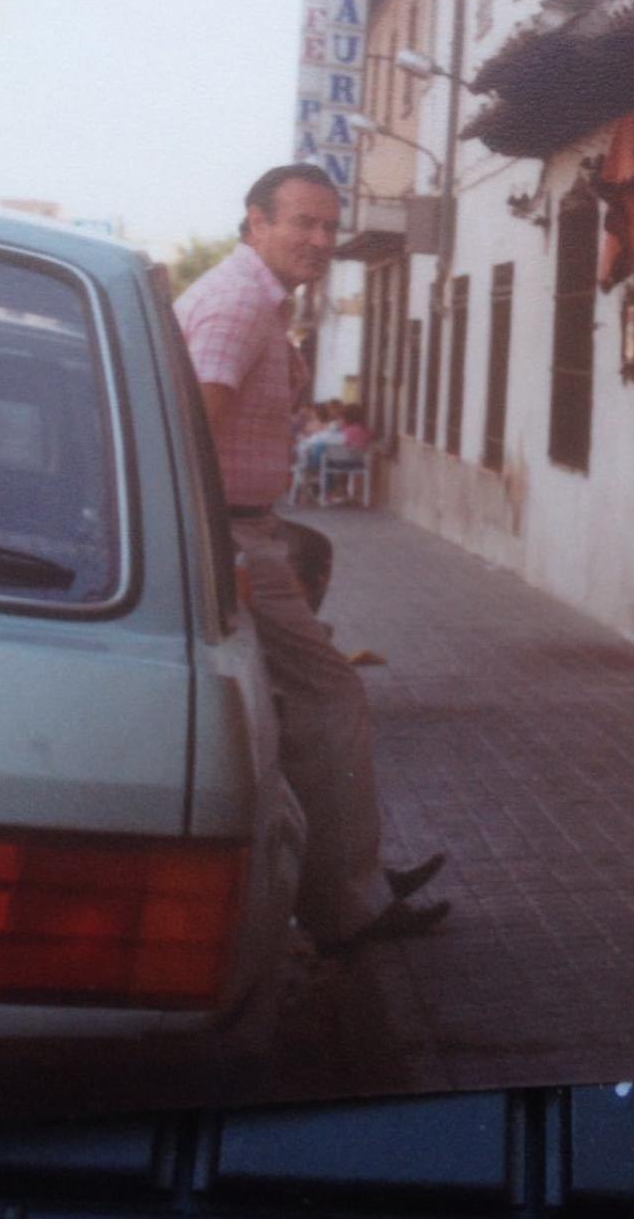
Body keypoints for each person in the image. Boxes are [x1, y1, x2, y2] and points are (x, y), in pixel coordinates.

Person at [175, 163, 448, 947]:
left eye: (330, 227)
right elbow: (194, 437)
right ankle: (346, 903)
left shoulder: (257, 300)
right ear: (255, 222)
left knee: (304, 703)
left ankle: (341, 877)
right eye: (303, 223)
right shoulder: (235, 305)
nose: (321, 240)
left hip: (246, 527)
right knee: (330, 698)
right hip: (227, 530)